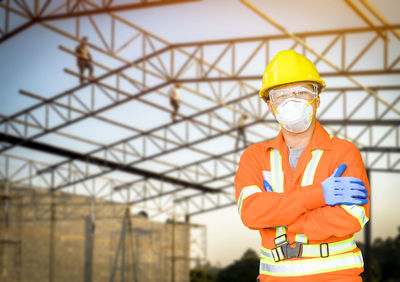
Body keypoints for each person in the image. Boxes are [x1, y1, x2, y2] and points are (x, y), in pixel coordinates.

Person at [234, 50, 370, 281]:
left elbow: (350, 217)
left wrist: (278, 216)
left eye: (302, 92)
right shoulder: (255, 156)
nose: (292, 100)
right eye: (281, 95)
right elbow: (250, 212)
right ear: (270, 105)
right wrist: (317, 196)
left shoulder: (344, 152)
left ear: (317, 98)